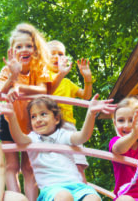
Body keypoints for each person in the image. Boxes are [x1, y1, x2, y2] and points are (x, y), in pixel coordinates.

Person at [0, 95, 116, 201]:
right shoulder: (33, 139)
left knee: (93, 198)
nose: (38, 120)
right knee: (64, 196)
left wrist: (91, 114)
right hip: (52, 190)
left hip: (77, 186)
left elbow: (83, 136)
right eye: (33, 116)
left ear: (56, 118)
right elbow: (19, 138)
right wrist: (11, 116)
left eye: (43, 114)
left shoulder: (63, 135)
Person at [0, 23, 51, 200]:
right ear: (12, 51)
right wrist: (13, 77)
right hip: (9, 120)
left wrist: (19, 87)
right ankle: (16, 198)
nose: (24, 50)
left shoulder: (39, 67)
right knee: (11, 165)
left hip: (31, 124)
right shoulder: (7, 70)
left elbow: (44, 90)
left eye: (28, 45)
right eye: (18, 47)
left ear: (35, 49)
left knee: (28, 167)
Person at [47, 40, 93, 182]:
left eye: (60, 54)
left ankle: (84, 194)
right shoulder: (43, 79)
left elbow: (86, 96)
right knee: (51, 167)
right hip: (48, 128)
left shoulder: (67, 83)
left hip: (68, 127)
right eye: (52, 53)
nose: (56, 57)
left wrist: (87, 79)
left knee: (77, 165)